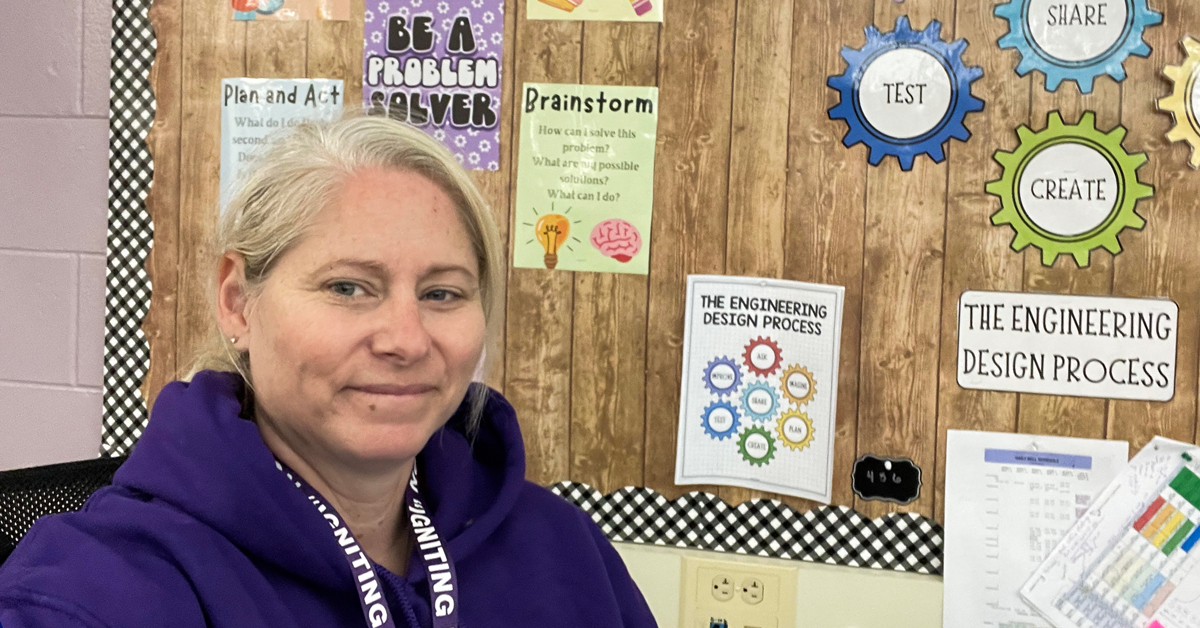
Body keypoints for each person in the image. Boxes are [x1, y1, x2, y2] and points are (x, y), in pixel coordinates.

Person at [0, 115, 657, 628]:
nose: (405, 340)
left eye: (442, 294)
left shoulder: (563, 551)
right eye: (347, 288)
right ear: (237, 301)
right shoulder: (97, 590)